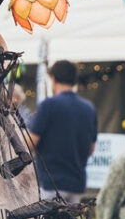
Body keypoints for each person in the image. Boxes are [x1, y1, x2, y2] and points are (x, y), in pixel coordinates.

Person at [28, 60, 98, 203]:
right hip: (77, 184)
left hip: (51, 183)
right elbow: (91, 149)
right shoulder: (89, 108)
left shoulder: (49, 105)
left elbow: (31, 143)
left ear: (53, 78)